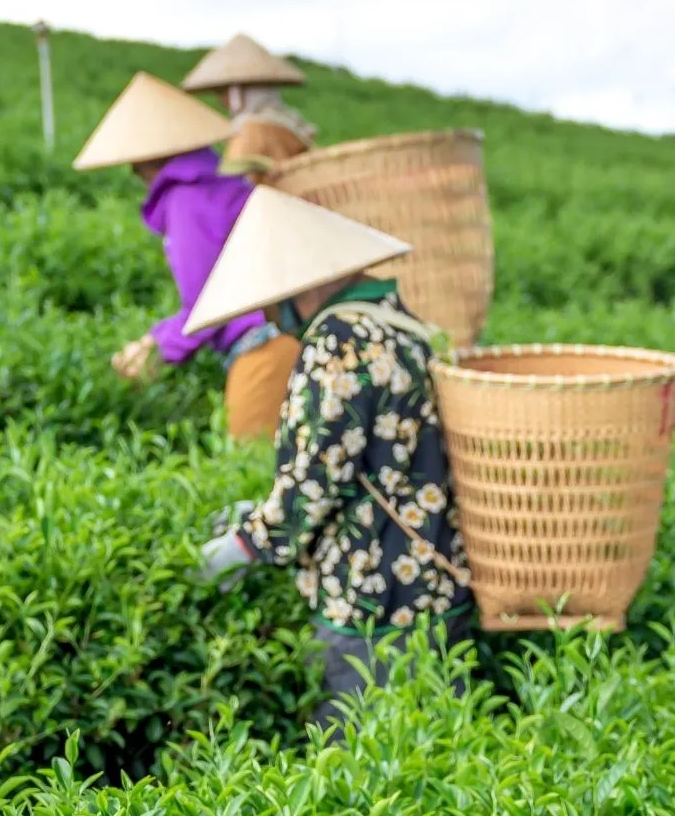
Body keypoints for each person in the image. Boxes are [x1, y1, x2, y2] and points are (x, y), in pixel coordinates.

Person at [184, 186, 473, 732]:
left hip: (368, 598)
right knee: (437, 756)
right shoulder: (406, 326)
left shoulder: (336, 340)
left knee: (357, 764)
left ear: (305, 285)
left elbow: (315, 477)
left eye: (272, 298)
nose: (270, 316)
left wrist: (246, 543)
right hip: (437, 583)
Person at [73, 71, 300, 442]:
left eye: (137, 160)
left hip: (264, 344)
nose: (133, 171)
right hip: (283, 332)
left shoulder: (188, 199)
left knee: (253, 461)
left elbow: (207, 307)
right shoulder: (215, 184)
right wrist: (156, 338)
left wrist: (154, 352)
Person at [181, 33, 317, 182]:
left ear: (239, 93)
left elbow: (234, 180)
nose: (221, 100)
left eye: (223, 92)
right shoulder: (286, 122)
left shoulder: (250, 130)